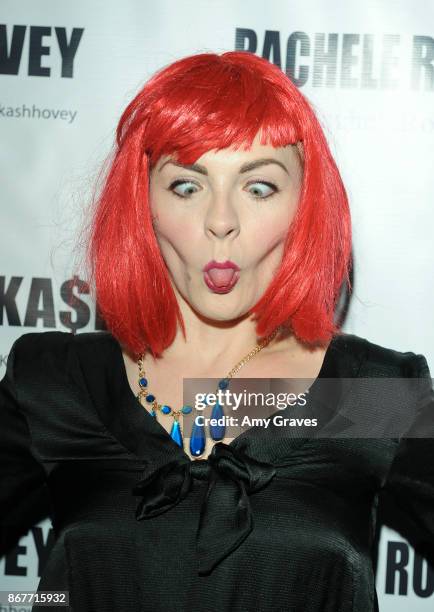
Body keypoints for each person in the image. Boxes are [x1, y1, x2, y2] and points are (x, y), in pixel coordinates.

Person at [0, 51, 433, 612]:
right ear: (143, 203)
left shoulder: (368, 395)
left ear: (305, 206)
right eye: (186, 185)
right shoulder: (58, 384)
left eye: (259, 188)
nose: (220, 220)